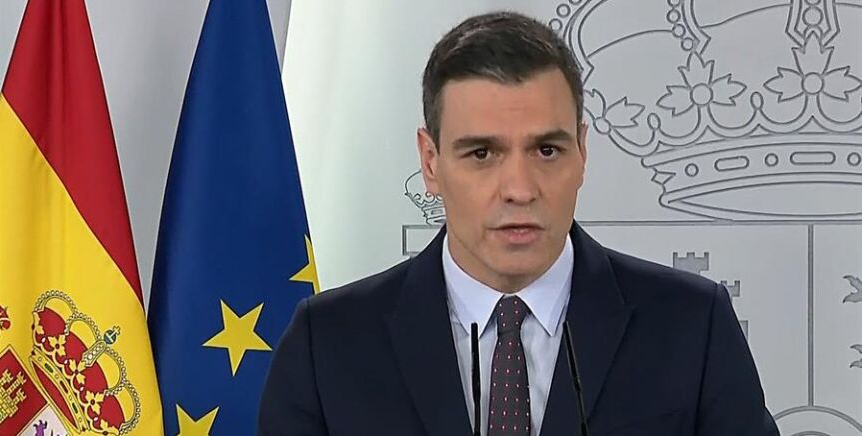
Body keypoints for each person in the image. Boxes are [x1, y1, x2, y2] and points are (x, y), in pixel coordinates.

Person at [258, 11, 779, 436]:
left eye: (546, 150)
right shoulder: (327, 345)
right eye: (482, 153)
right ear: (431, 162)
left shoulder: (691, 327)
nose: (520, 189)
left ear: (582, 152)